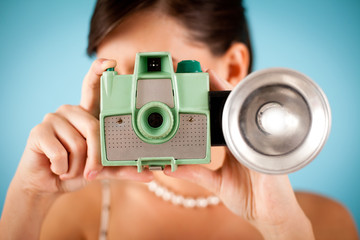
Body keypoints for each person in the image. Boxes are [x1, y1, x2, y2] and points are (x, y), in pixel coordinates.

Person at [0, 0, 358, 239]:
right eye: (117, 77)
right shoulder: (75, 212)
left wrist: (283, 228)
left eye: (161, 77)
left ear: (233, 66)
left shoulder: (324, 223)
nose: (146, 113)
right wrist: (28, 198)